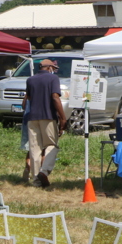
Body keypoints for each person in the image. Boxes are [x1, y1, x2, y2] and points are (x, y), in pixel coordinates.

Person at [23, 58, 68, 188]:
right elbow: (55, 97)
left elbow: (28, 98)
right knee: (51, 145)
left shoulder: (30, 80)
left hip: (32, 118)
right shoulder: (53, 78)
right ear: (49, 68)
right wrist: (63, 118)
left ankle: (36, 181)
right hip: (48, 117)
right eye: (53, 68)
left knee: (34, 148)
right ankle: (44, 171)